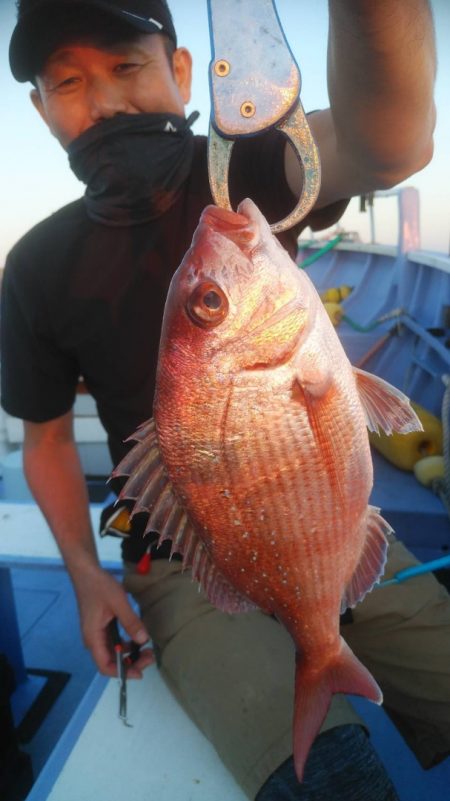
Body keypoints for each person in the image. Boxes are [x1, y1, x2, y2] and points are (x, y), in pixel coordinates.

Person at [1, 1, 448, 799]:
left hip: (326, 530)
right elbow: (47, 441)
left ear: (181, 72)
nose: (102, 101)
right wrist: (85, 575)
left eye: (127, 66)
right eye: (67, 81)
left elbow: (392, 143)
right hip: (177, 562)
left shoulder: (237, 173)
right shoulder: (34, 267)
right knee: (331, 782)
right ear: (39, 107)